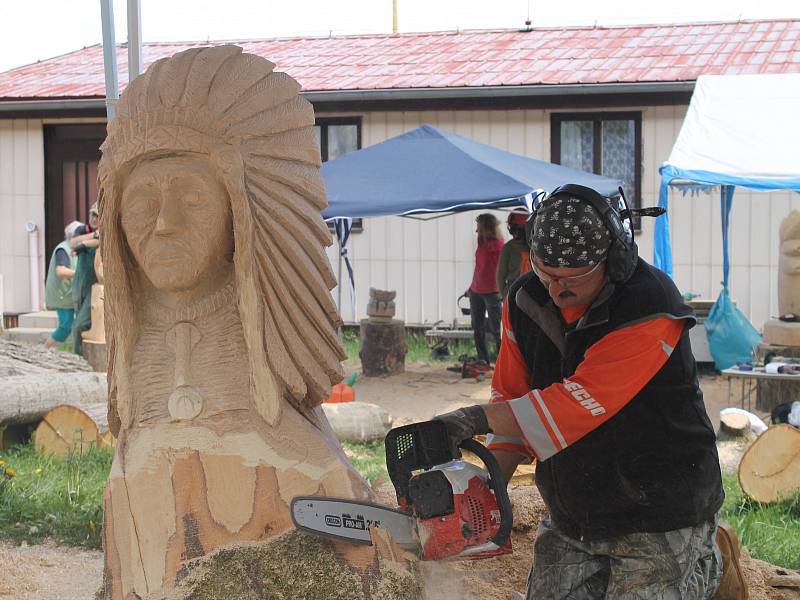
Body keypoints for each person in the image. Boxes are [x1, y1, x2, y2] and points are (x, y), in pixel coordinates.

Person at [435, 184, 747, 600]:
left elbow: (574, 404)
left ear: (613, 260)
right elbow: (512, 404)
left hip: (660, 507)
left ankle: (704, 564)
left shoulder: (649, 305)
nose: (555, 289)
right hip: (575, 510)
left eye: (571, 278)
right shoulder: (526, 300)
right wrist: (487, 490)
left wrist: (472, 418)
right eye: (546, 272)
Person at [467, 213, 504, 365]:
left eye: (479, 227)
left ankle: (502, 362)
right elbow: (479, 267)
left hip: (492, 291)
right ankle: (483, 360)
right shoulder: (481, 242)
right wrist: (470, 287)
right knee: (477, 328)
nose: (477, 231)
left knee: (497, 330)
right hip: (476, 290)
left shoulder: (499, 246)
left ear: (486, 228)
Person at [44, 221, 84, 348]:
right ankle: (45, 349)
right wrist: (79, 274)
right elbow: (61, 271)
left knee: (81, 323)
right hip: (62, 296)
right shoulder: (64, 249)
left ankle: (73, 349)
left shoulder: (75, 249)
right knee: (65, 326)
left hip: (71, 294)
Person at [70, 203, 100, 355]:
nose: (94, 219)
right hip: (79, 285)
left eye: (98, 216)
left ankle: (77, 360)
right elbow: (73, 243)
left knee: (78, 325)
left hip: (94, 289)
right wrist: (93, 236)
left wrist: (86, 243)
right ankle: (82, 357)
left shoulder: (107, 233)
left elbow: (103, 241)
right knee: (80, 326)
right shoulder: (81, 229)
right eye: (92, 215)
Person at [496, 211, 532, 297]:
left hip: (513, 289)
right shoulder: (536, 247)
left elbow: (500, 275)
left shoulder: (508, 247)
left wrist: (504, 294)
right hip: (533, 288)